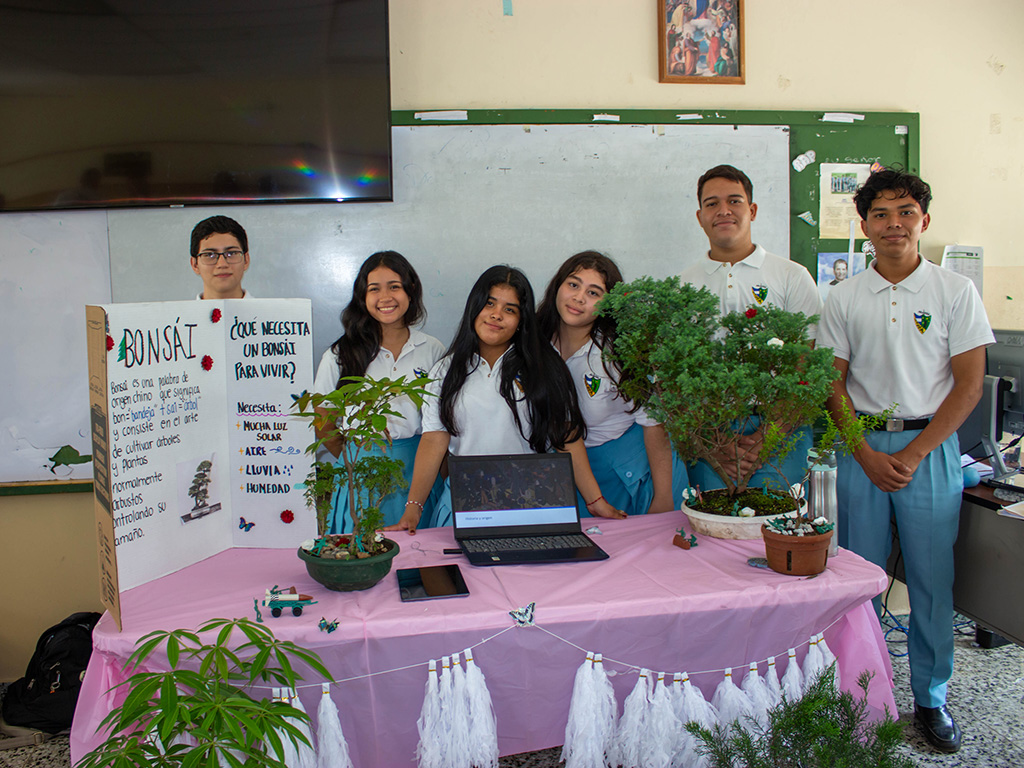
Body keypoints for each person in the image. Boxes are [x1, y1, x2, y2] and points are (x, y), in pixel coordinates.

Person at [817, 170, 993, 754]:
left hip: (931, 449)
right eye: (882, 214)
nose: (895, 223)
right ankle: (865, 694)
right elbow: (831, 386)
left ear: (924, 219)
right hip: (859, 448)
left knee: (930, 582)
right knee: (859, 581)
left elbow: (968, 387)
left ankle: (931, 699)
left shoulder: (954, 292)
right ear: (864, 226)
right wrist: (864, 452)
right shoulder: (841, 297)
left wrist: (915, 452)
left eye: (906, 211)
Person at [386, 265, 624, 533]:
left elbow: (566, 436)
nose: (496, 315)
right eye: (489, 304)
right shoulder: (446, 370)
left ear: (522, 320)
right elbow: (434, 439)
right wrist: (413, 509)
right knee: (459, 569)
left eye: (510, 309)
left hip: (533, 498)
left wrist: (595, 501)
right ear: (474, 307)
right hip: (466, 500)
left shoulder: (545, 367)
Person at [679, 164, 822, 493]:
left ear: (752, 210)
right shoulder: (684, 284)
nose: (723, 210)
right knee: (714, 531)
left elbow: (807, 366)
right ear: (700, 216)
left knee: (777, 534)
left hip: (782, 429)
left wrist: (765, 438)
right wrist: (716, 440)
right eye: (712, 203)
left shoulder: (791, 276)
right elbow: (680, 371)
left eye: (735, 201)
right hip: (711, 433)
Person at [537, 251, 686, 516]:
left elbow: (655, 424)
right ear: (558, 285)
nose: (579, 298)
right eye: (573, 284)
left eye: (594, 293)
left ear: (609, 303)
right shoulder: (535, 342)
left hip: (633, 471)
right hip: (569, 468)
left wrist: (663, 497)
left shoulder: (619, 353)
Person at [312, 251, 445, 532]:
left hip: (416, 467)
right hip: (360, 468)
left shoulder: (432, 349)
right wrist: (353, 456)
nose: (385, 297)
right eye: (374, 289)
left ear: (411, 291)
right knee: (362, 548)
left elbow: (442, 420)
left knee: (418, 554)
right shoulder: (341, 353)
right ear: (363, 297)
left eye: (394, 286)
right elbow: (323, 417)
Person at [190, 215, 251, 299]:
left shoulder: (270, 312)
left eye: (231, 253)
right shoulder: (180, 312)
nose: (222, 264)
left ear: (246, 260)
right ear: (195, 264)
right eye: (209, 255)